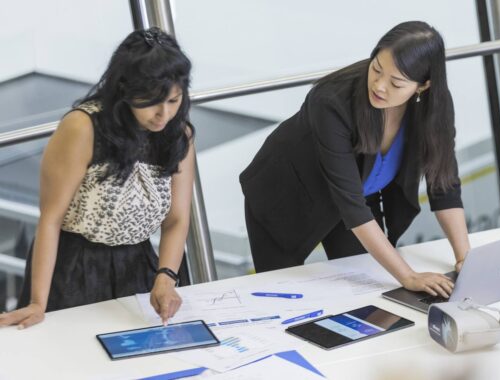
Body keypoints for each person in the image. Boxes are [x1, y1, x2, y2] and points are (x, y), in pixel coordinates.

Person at [240, 21, 470, 298]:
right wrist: (408, 276)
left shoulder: (433, 110)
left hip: (356, 197)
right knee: (284, 297)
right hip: (287, 195)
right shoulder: (331, 101)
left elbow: (443, 183)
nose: (380, 86)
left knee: (367, 289)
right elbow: (351, 206)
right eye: (376, 69)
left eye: (396, 82)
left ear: (423, 86)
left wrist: (464, 257)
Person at [0, 27, 195, 329]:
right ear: (125, 89)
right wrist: (38, 302)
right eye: (152, 101)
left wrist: (166, 276)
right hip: (73, 267)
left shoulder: (178, 135)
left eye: (173, 101)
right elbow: (50, 219)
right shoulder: (83, 128)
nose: (163, 114)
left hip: (140, 265)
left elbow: (177, 219)